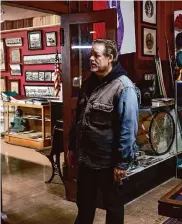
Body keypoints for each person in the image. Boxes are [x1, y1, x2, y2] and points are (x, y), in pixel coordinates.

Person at [67, 39, 139, 224]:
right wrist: (72, 146)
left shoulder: (124, 87)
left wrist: (122, 163)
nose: (91, 58)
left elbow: (128, 128)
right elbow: (79, 119)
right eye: (91, 54)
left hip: (109, 164)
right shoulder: (88, 83)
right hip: (86, 161)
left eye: (97, 55)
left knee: (113, 210)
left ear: (110, 58)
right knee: (84, 207)